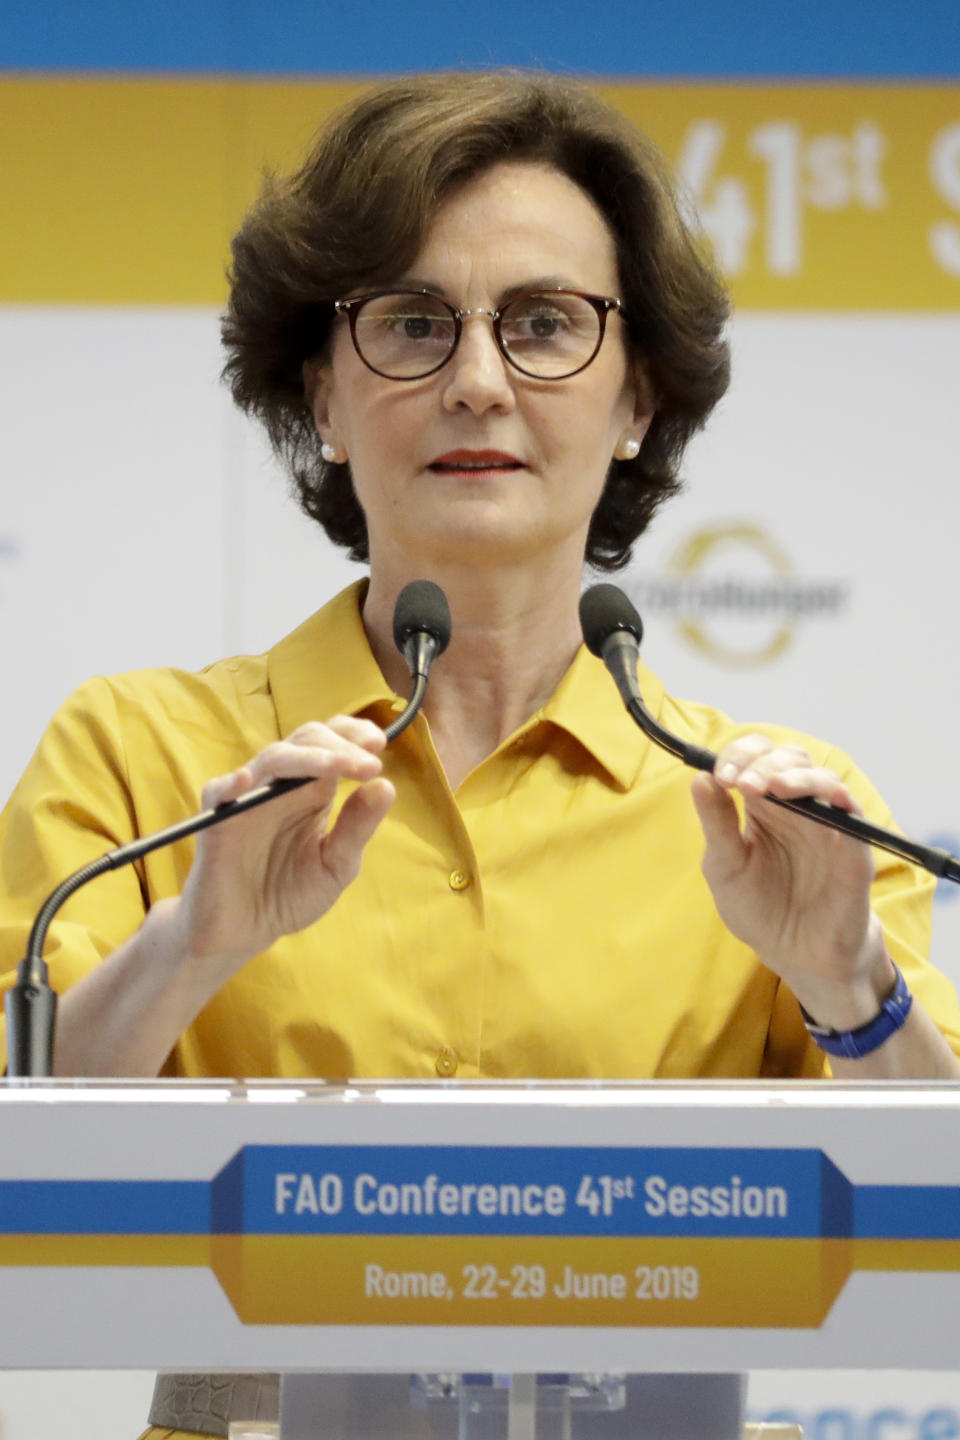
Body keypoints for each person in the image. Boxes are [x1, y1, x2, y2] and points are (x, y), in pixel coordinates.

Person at [1, 70, 959, 1440]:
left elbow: (931, 1229)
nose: (475, 382)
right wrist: (192, 946)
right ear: (321, 395)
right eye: (409, 323)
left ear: (639, 399)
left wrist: (840, 979)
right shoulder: (144, 757)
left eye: (545, 324)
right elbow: (17, 1180)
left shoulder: (778, 819)